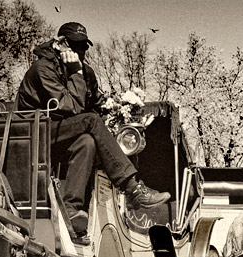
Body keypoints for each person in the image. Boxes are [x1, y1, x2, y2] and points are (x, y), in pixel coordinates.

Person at [16, 22, 170, 244]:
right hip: (34, 132)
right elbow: (74, 107)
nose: (81, 52)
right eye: (76, 46)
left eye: (84, 47)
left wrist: (123, 107)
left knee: (87, 141)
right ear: (60, 44)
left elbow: (97, 102)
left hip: (61, 133)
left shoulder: (85, 72)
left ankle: (71, 209)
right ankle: (132, 188)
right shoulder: (43, 68)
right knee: (90, 122)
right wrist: (76, 73)